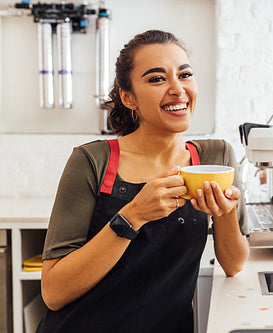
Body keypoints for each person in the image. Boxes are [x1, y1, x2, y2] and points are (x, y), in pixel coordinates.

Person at [36, 30, 249, 333]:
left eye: (185, 74)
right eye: (157, 79)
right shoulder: (92, 161)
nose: (178, 89)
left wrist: (225, 213)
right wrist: (133, 216)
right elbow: (54, 293)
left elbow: (234, 264)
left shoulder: (216, 157)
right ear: (128, 97)